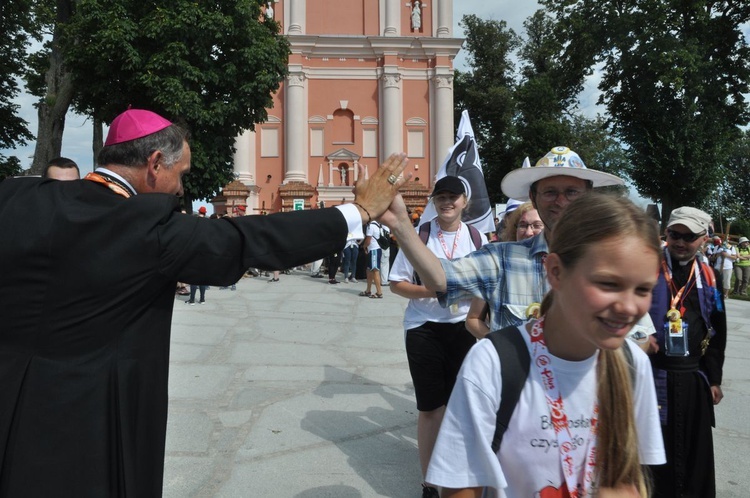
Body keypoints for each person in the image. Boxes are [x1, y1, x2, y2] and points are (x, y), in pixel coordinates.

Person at [0, 108, 410, 496]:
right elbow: (249, 240)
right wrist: (358, 211)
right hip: (87, 423)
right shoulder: (147, 226)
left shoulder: (15, 196)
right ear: (155, 163)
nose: (181, 188)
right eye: (181, 174)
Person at [425, 193, 665, 497]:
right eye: (608, 284)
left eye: (643, 289)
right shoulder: (493, 362)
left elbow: (628, 478)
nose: (629, 307)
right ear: (556, 272)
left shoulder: (633, 366)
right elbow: (461, 485)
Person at [382, 146, 625, 331]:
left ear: (587, 195)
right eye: (550, 192)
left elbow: (640, 338)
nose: (560, 201)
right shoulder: (502, 258)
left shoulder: (613, 261)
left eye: (571, 192)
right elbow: (441, 281)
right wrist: (401, 225)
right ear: (533, 196)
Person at [389, 176, 488, 498]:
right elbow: (396, 283)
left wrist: (473, 306)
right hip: (424, 328)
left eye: (454, 197)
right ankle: (430, 482)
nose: (448, 203)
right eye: (442, 197)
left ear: (464, 202)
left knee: (460, 406)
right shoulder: (420, 236)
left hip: (463, 327)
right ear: (434, 201)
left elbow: (486, 281)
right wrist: (433, 290)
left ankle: (458, 472)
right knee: (431, 408)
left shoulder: (477, 238)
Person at [646, 206, 727, 498]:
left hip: (693, 378)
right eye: (674, 235)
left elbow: (718, 330)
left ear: (703, 238)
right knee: (655, 458)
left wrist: (714, 378)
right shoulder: (647, 269)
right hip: (653, 376)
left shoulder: (710, 275)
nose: (680, 242)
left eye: (688, 237)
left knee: (694, 457)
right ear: (666, 233)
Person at [465, 202, 542, 338]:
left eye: (536, 225)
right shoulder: (495, 267)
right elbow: (473, 320)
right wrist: (499, 345)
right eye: (523, 225)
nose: (529, 232)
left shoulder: (564, 269)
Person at [360, 220, 385, 298]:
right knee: (369, 270)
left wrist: (364, 246)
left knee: (375, 270)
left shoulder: (371, 226)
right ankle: (368, 290)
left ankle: (379, 292)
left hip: (374, 250)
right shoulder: (378, 225)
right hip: (376, 249)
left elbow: (368, 240)